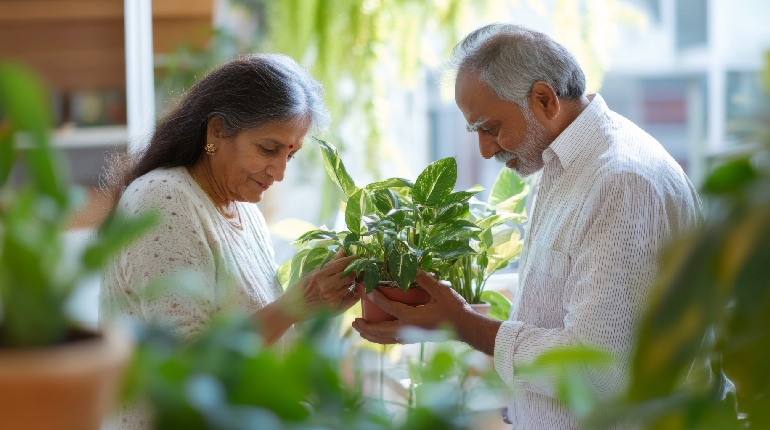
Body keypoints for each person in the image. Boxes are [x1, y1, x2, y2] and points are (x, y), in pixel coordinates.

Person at [352, 24, 723, 429]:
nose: (485, 149)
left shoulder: (621, 181)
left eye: (490, 128)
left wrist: (461, 322)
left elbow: (599, 370)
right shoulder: (565, 164)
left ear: (544, 99)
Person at [100, 54, 358, 429]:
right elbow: (188, 368)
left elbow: (255, 339)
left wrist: (317, 306)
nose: (280, 172)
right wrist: (296, 303)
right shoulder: (163, 199)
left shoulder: (243, 210)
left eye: (291, 153)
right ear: (217, 132)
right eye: (268, 149)